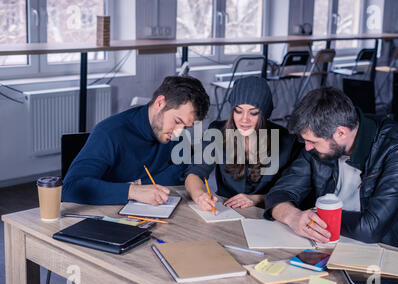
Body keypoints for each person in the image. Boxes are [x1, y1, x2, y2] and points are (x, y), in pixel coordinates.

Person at [264, 87, 398, 253]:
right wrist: (293, 217)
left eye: (313, 142)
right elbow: (279, 193)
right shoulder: (320, 140)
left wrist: (314, 217)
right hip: (333, 242)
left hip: (391, 250)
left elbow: (370, 227)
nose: (307, 148)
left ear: (341, 133)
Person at [62, 76, 210, 205]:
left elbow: (179, 176)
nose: (179, 133)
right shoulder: (109, 132)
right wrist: (133, 190)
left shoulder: (177, 134)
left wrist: (136, 184)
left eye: (186, 127)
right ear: (160, 103)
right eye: (177, 121)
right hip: (106, 219)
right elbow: (70, 188)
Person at [185, 76, 301, 211]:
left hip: (266, 213)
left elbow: (293, 190)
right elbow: (194, 173)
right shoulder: (217, 132)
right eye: (238, 111)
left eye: (253, 113)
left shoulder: (286, 141)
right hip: (225, 211)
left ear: (264, 114)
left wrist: (256, 198)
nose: (244, 120)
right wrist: (200, 196)